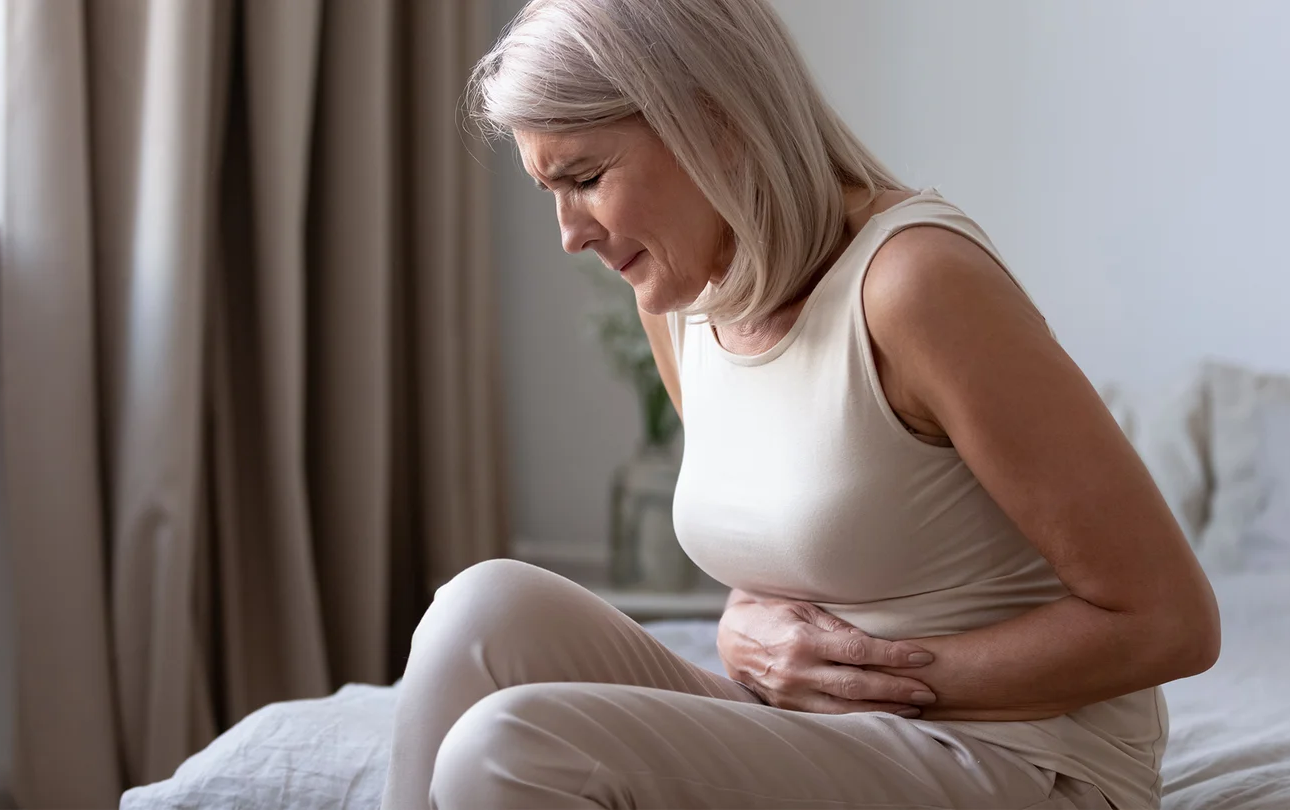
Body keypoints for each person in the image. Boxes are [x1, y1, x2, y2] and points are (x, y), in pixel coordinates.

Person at [380, 0, 1220, 807]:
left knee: (516, 748)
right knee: (480, 610)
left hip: (1025, 763)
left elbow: (1170, 622)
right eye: (550, 192)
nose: (571, 233)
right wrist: (740, 633)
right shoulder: (679, 300)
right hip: (837, 739)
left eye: (588, 178)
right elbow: (792, 549)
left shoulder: (915, 287)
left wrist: (875, 679)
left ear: (714, 120)